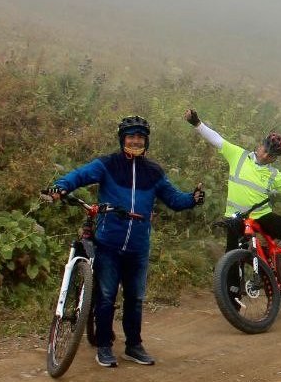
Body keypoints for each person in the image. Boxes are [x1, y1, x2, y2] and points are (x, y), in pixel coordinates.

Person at [44, 115, 205, 368]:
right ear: (122, 139)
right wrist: (60, 187)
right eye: (131, 136)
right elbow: (79, 175)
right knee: (106, 296)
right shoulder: (107, 165)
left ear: (146, 141)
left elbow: (173, 199)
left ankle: (133, 346)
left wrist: (193, 199)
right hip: (109, 243)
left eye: (140, 137)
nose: (135, 141)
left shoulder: (154, 172)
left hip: (138, 247)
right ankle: (105, 346)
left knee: (135, 297)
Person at [185, 108, 281, 293]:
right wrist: (197, 123)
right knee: (232, 257)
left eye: (272, 155)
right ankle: (233, 295)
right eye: (266, 150)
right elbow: (216, 139)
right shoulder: (238, 155)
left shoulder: (273, 174)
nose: (266, 155)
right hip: (235, 217)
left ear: (275, 158)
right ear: (260, 146)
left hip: (262, 216)